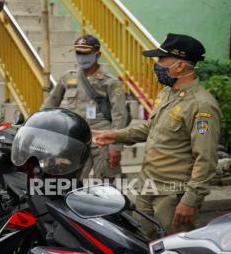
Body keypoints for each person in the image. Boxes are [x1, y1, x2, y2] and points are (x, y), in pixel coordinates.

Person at [92, 33, 222, 238]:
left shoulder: (202, 105)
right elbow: (151, 128)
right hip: (147, 185)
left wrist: (190, 200)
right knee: (142, 243)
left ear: (180, 66)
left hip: (173, 194)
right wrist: (114, 135)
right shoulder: (166, 94)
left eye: (162, 60)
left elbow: (205, 159)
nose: (157, 65)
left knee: (174, 248)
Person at [42, 34, 128, 180]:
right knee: (71, 184)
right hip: (75, 141)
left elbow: (120, 116)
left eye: (86, 53)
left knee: (104, 187)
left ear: (97, 54)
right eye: (78, 53)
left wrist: (116, 147)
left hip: (102, 142)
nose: (81, 57)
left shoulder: (110, 82)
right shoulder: (68, 77)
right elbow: (50, 104)